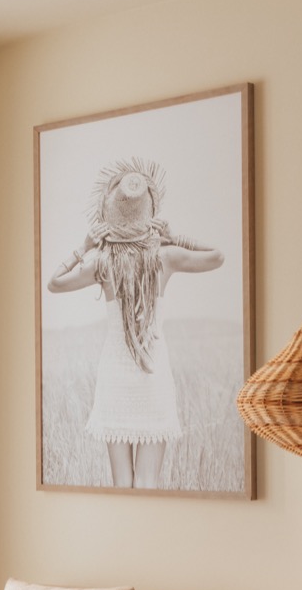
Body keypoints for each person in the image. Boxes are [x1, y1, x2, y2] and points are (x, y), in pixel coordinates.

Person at [46, 159, 223, 488]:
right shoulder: (165, 257)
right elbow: (217, 256)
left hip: (115, 376)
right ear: (148, 214)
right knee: (147, 483)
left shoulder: (101, 262)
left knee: (122, 485)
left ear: (111, 216)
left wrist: (83, 247)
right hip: (152, 375)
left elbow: (54, 283)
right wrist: (175, 237)